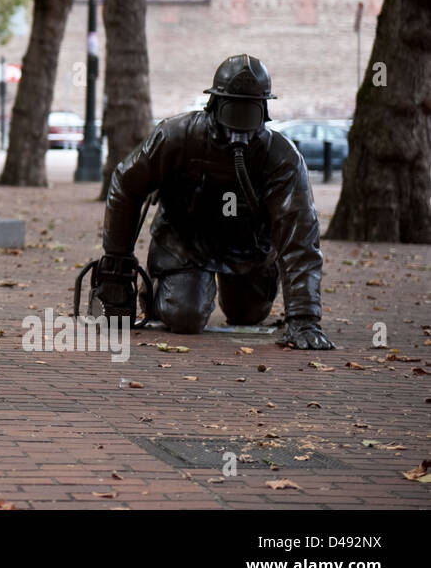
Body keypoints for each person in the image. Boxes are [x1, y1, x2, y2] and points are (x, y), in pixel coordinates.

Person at [96, 55, 334, 349]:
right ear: (213, 105)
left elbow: (300, 237)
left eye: (248, 112)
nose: (238, 126)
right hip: (185, 243)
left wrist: (304, 318)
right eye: (232, 111)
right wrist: (117, 262)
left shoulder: (282, 158)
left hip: (249, 248)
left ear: (264, 112)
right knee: (185, 317)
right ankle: (162, 289)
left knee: (247, 315)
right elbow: (126, 183)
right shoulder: (175, 136)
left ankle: (252, 284)